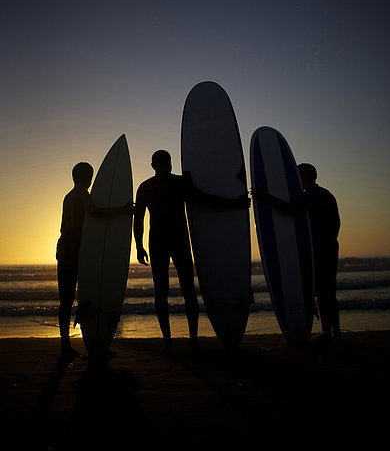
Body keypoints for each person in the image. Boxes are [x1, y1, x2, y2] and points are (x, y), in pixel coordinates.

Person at [134, 150, 250, 356]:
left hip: (157, 242)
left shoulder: (145, 187)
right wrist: (236, 203)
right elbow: (207, 199)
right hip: (179, 239)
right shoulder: (179, 183)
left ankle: (168, 343)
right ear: (170, 163)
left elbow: (139, 219)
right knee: (188, 290)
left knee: (161, 292)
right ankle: (193, 341)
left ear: (152, 165)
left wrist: (139, 246)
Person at [252, 163, 341, 341]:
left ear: (305, 176)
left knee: (322, 293)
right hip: (331, 245)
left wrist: (265, 197)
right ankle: (333, 332)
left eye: (298, 176)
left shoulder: (310, 195)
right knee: (327, 291)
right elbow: (337, 223)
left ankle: (328, 332)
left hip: (320, 248)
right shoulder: (327, 194)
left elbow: (289, 209)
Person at [56, 161, 134, 360]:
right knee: (92, 292)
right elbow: (94, 212)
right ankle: (96, 342)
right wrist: (121, 210)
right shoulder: (83, 193)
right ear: (89, 177)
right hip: (77, 248)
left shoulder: (68, 195)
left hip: (64, 247)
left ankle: (65, 344)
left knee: (65, 299)